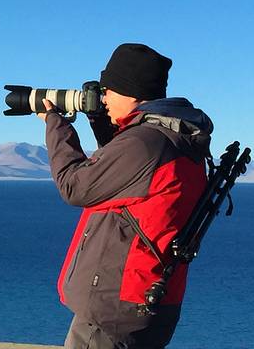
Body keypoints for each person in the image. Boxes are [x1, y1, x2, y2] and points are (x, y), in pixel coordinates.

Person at [37, 43, 213, 349]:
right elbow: (124, 177)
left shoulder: (144, 143)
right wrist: (100, 122)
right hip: (149, 302)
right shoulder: (175, 139)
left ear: (131, 93)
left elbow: (74, 186)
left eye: (108, 91)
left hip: (112, 312)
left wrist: (56, 124)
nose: (103, 98)